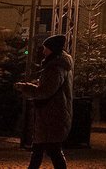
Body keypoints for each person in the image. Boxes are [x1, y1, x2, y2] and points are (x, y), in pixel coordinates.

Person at [16, 34, 74, 169]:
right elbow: (49, 87)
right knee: (41, 148)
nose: (43, 51)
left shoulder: (55, 67)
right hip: (52, 113)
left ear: (52, 49)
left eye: (45, 48)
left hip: (51, 115)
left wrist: (26, 88)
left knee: (51, 149)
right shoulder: (59, 65)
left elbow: (46, 91)